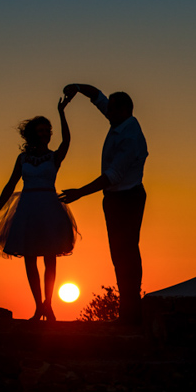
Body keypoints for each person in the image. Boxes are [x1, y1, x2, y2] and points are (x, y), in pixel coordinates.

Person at [0, 95, 79, 321]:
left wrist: (62, 113)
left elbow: (67, 141)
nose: (44, 134)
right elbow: (10, 185)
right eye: (41, 130)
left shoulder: (55, 157)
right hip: (27, 208)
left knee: (50, 257)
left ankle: (49, 304)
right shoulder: (22, 158)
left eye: (47, 131)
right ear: (33, 133)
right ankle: (38, 307)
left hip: (49, 207)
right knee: (30, 258)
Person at [59, 84, 148, 325]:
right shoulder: (119, 120)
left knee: (126, 252)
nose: (106, 114)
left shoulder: (130, 138)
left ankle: (131, 310)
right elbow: (97, 96)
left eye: (111, 111)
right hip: (114, 198)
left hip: (127, 198)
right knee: (119, 254)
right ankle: (127, 308)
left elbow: (112, 175)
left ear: (123, 110)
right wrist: (78, 87)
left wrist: (80, 193)